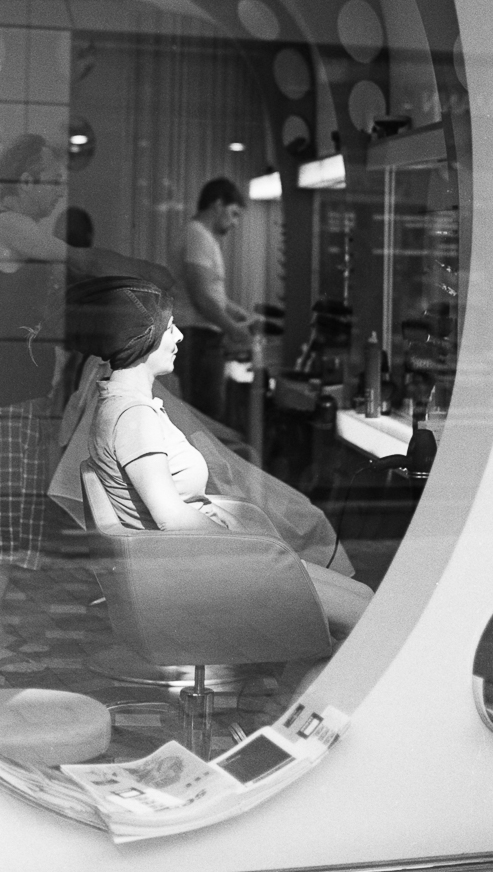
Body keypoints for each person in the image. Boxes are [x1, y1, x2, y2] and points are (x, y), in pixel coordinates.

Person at [0, 134, 171, 668]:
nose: (58, 193)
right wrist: (146, 275)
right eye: (53, 181)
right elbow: (78, 260)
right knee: (4, 510)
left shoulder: (13, 233)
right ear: (26, 181)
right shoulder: (6, 226)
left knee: (10, 509)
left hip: (19, 390)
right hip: (4, 393)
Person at [67, 275, 373, 641]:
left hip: (203, 563)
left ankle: (307, 693)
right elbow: (171, 517)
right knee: (366, 621)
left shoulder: (123, 405)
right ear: (143, 338)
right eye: (169, 328)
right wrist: (247, 548)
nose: (180, 336)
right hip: (199, 573)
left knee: (365, 602)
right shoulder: (133, 417)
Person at [172, 177, 254, 421]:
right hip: (199, 340)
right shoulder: (197, 236)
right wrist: (235, 330)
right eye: (234, 213)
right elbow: (201, 297)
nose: (235, 223)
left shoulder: (199, 236)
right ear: (218, 205)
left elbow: (211, 292)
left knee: (204, 415)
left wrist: (239, 313)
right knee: (206, 418)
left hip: (200, 338)